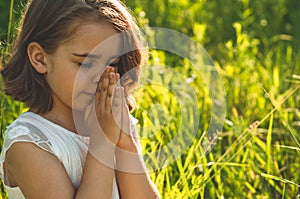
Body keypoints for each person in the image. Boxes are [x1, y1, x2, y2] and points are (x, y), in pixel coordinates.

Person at [0, 0, 160, 198]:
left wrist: (125, 143)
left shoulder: (111, 121)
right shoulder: (28, 143)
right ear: (40, 58)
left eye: (112, 64)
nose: (100, 76)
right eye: (84, 63)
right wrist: (102, 142)